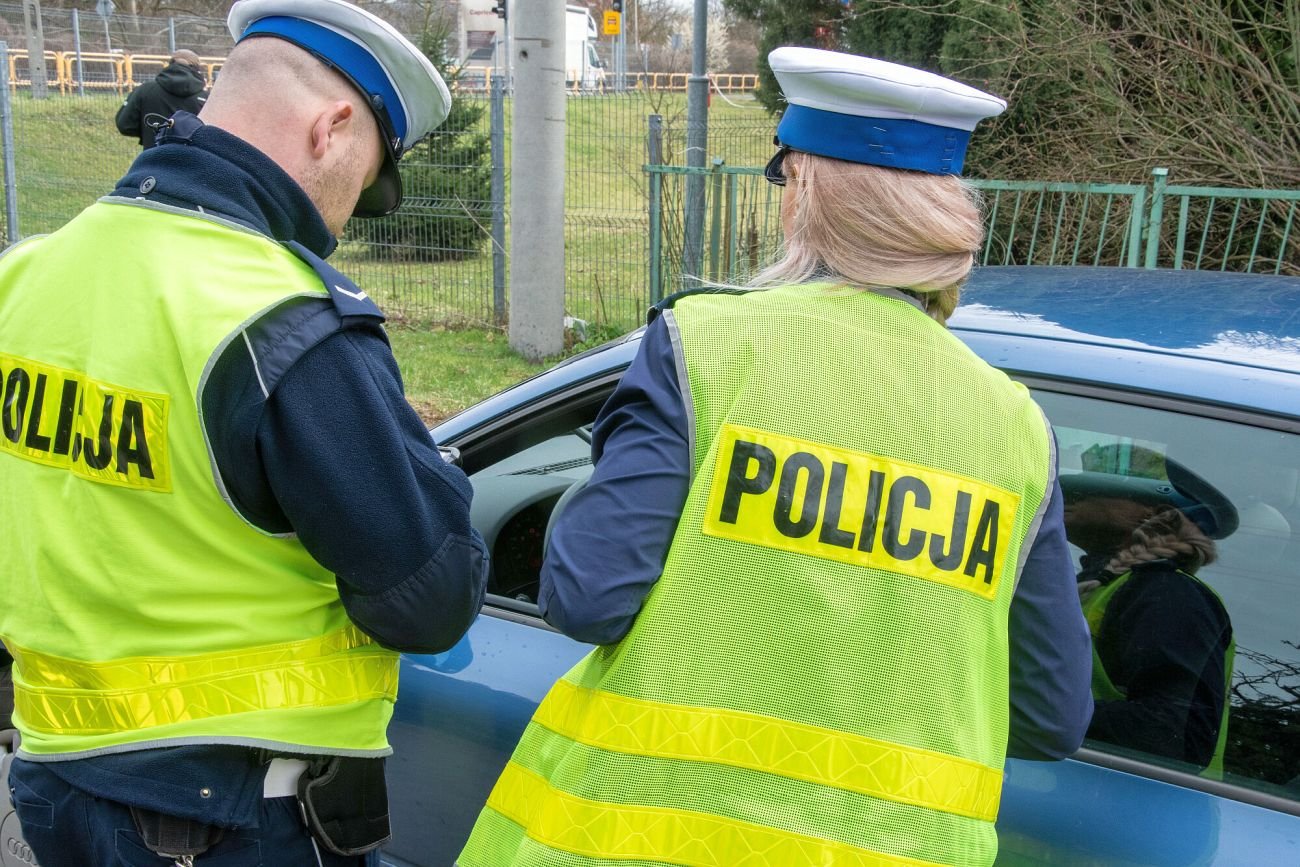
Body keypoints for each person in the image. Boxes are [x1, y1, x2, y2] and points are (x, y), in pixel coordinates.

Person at [457, 47, 1092, 867]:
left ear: (804, 197)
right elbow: (1049, 713)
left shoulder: (706, 348)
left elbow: (586, 597)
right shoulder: (1014, 428)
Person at [0, 0, 488, 864]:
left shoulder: (28, 274)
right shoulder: (278, 317)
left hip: (57, 777)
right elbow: (429, 594)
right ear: (333, 126)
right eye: (365, 179)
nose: (344, 220)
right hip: (231, 816)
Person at [1065, 444, 1236, 775]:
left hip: (1125, 814)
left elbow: (1169, 735)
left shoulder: (1168, 595)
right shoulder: (1102, 587)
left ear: (1152, 513)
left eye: (1089, 488)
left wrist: (1022, 708)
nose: (1069, 495)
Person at [115, 48, 209, 147]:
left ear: (170, 63)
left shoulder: (145, 90)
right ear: (196, 68)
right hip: (192, 158)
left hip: (154, 156)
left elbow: (124, 125)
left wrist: (149, 132)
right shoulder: (206, 98)